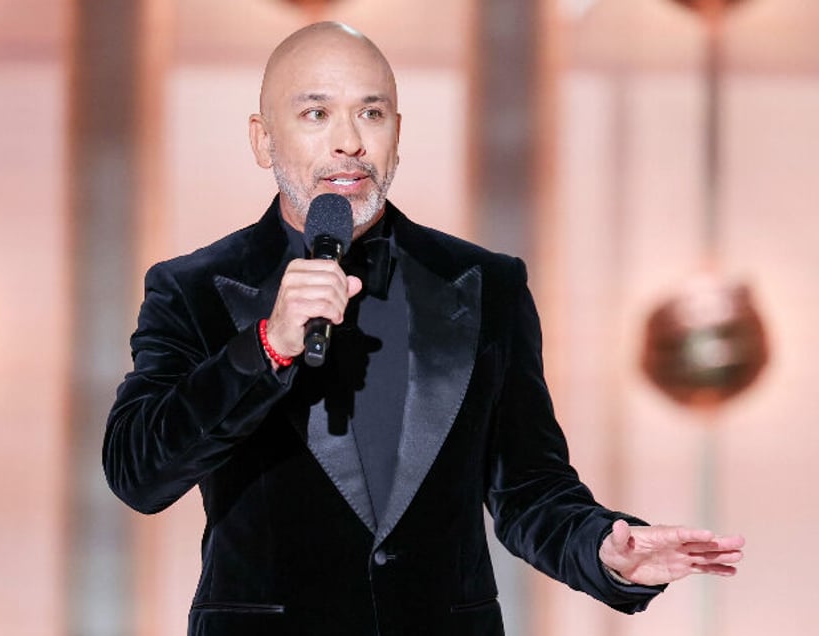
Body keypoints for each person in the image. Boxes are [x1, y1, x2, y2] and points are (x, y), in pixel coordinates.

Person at [103, 21, 744, 636]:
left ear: (398, 135)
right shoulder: (191, 288)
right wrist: (266, 344)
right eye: (316, 113)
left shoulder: (487, 283)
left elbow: (528, 486)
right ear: (263, 139)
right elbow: (138, 471)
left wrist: (606, 550)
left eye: (372, 113)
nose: (349, 141)